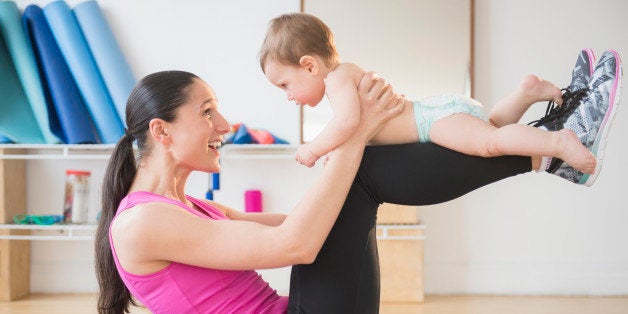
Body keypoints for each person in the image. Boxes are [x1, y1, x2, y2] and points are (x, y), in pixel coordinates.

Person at [95, 69, 404, 313]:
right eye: (207, 112)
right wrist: (354, 130)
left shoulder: (188, 208)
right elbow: (295, 245)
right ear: (161, 130)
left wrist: (349, 133)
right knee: (359, 180)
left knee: (349, 207)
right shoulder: (143, 223)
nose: (224, 125)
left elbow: (298, 226)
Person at [258, 13, 606, 186]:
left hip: (431, 123)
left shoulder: (337, 80)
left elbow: (348, 123)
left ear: (309, 65)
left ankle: (558, 142)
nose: (289, 97)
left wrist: (314, 148)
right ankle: (526, 93)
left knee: (491, 143)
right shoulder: (344, 76)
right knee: (494, 127)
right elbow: (354, 130)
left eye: (285, 85)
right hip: (438, 112)